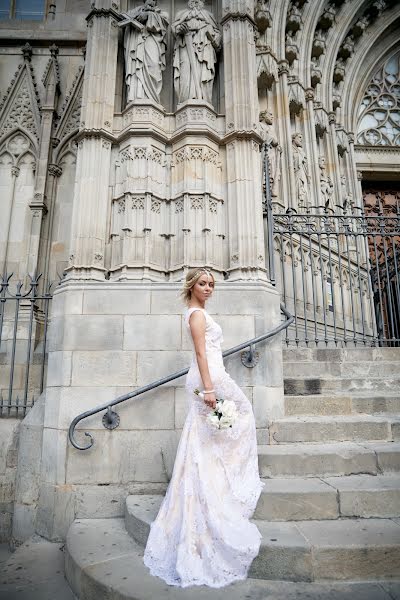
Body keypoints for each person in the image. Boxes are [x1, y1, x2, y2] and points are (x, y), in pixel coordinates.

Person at [143, 268, 265, 588]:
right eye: (203, 283)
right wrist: (210, 389)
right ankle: (212, 496)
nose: (208, 288)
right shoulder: (195, 314)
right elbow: (200, 353)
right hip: (207, 378)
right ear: (192, 286)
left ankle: (215, 489)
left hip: (209, 376)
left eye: (211, 284)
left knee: (208, 439)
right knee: (238, 416)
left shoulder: (201, 312)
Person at [172, 0, 221, 105]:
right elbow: (174, 28)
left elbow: (217, 34)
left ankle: (204, 101)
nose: (195, 2)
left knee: (203, 73)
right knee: (185, 73)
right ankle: (185, 101)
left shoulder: (209, 15)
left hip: (205, 48)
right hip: (185, 45)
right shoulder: (181, 14)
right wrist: (180, 29)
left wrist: (213, 38)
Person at [119, 0, 169, 104]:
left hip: (152, 41)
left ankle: (152, 99)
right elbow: (122, 17)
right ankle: (138, 96)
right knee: (137, 68)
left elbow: (163, 25)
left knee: (153, 65)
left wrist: (148, 15)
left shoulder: (162, 13)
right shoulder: (134, 11)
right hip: (137, 42)